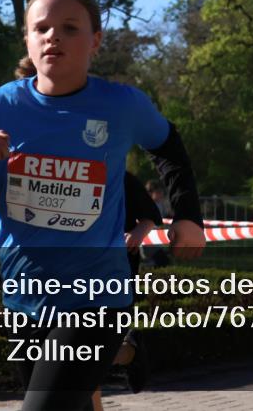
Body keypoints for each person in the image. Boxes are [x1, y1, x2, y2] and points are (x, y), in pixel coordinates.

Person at [0, 0, 205, 411]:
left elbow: (169, 149)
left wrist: (188, 216)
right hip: (24, 297)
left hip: (98, 297)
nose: (53, 36)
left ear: (95, 40)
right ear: (28, 40)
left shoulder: (122, 105)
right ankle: (127, 353)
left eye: (70, 28)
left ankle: (117, 345)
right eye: (42, 28)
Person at [90, 171, 157, 411]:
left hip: (117, 268)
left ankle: (129, 352)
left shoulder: (120, 176)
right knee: (82, 352)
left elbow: (150, 216)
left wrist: (137, 234)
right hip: (77, 269)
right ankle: (129, 351)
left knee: (87, 351)